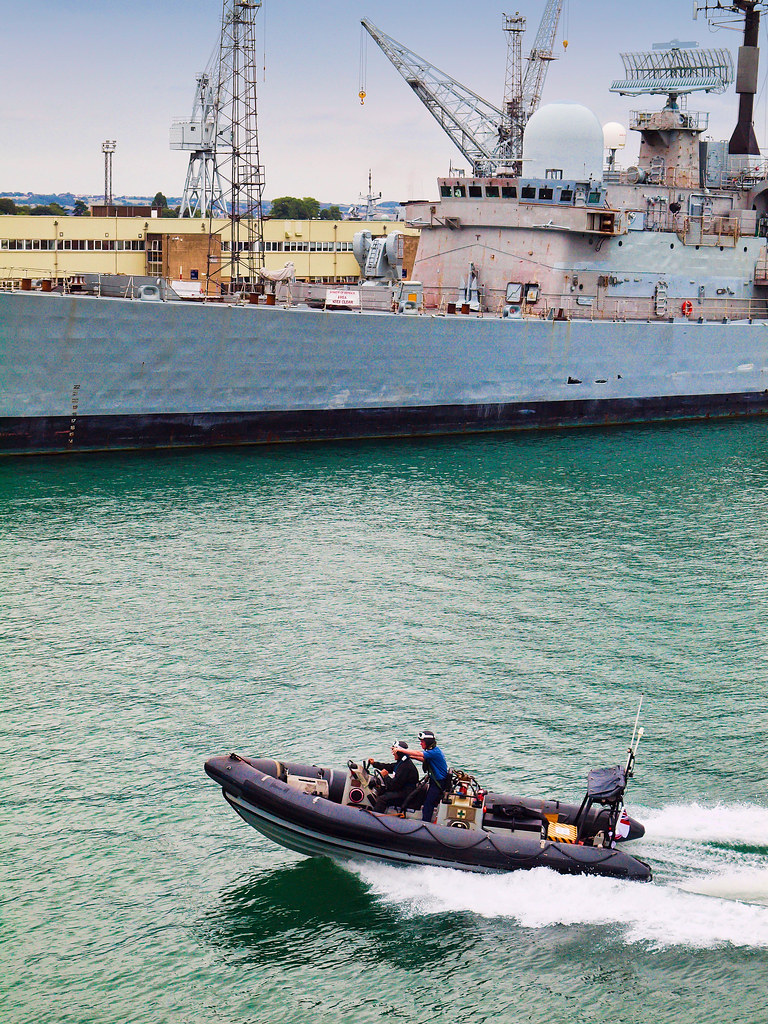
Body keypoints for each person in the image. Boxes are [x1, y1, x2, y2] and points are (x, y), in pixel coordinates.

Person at [399, 730, 450, 822]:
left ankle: (425, 823)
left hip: (438, 783)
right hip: (435, 781)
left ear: (428, 742)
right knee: (428, 801)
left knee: (428, 804)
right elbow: (424, 759)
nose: (420, 744)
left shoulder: (435, 752)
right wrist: (410, 756)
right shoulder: (433, 752)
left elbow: (419, 754)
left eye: (422, 742)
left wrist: (400, 749)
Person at [369, 740, 420, 813]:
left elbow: (393, 785)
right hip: (403, 790)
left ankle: (375, 818)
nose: (392, 753)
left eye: (394, 751)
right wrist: (374, 764)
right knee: (380, 790)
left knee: (382, 799)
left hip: (405, 794)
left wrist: (386, 776)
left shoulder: (405, 766)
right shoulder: (401, 763)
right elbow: (389, 767)